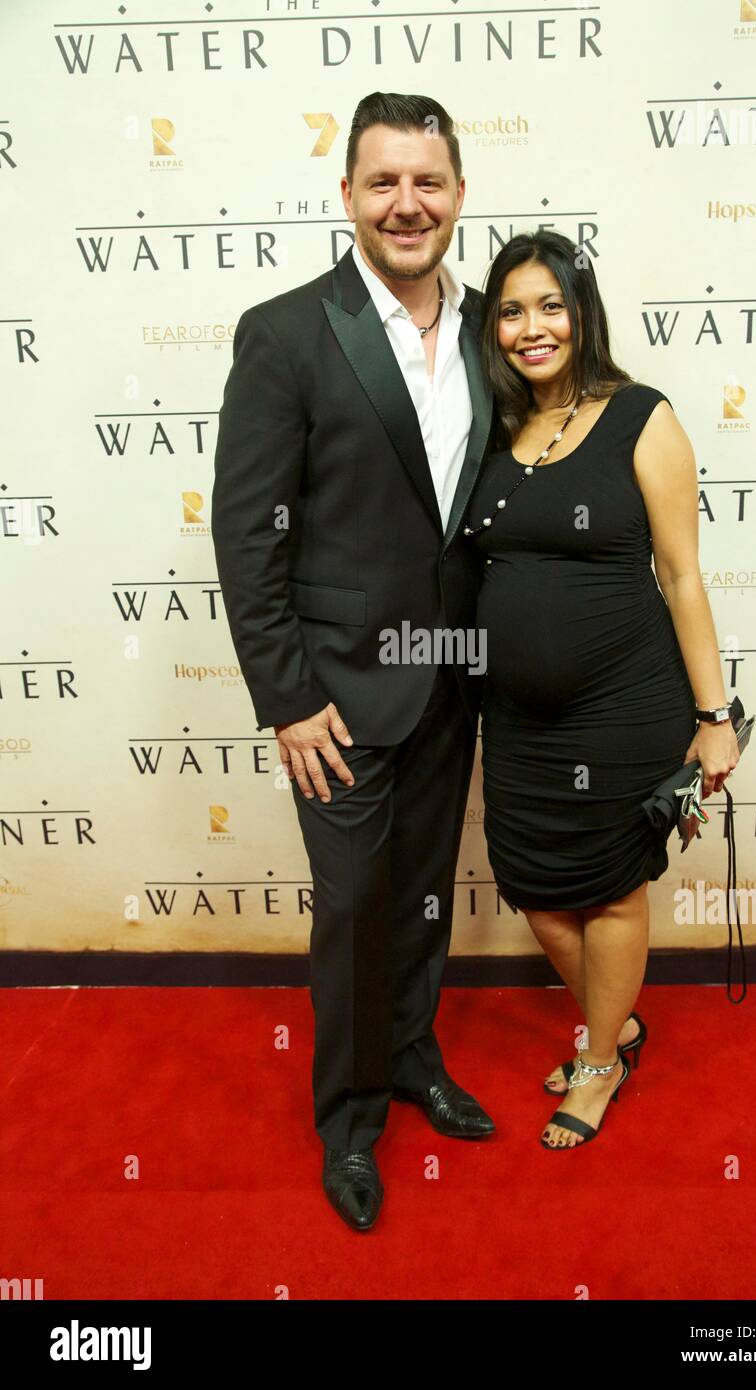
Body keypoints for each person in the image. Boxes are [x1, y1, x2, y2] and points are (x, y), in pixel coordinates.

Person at [211, 92, 496, 1232]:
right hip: (332, 688)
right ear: (345, 198)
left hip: (451, 669)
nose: (406, 203)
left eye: (427, 181)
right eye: (382, 182)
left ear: (459, 195)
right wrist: (286, 698)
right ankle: (349, 1120)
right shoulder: (284, 332)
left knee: (423, 893)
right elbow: (245, 531)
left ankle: (414, 1054)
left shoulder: (489, 330)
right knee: (352, 905)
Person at [463, 230, 740, 1150]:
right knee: (537, 887)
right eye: (510, 310)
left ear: (582, 313)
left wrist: (714, 719)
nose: (531, 327)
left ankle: (597, 1061)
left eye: (550, 305)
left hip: (622, 705)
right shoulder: (494, 428)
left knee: (611, 889)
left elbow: (683, 574)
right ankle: (613, 1026)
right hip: (517, 719)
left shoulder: (642, 417)